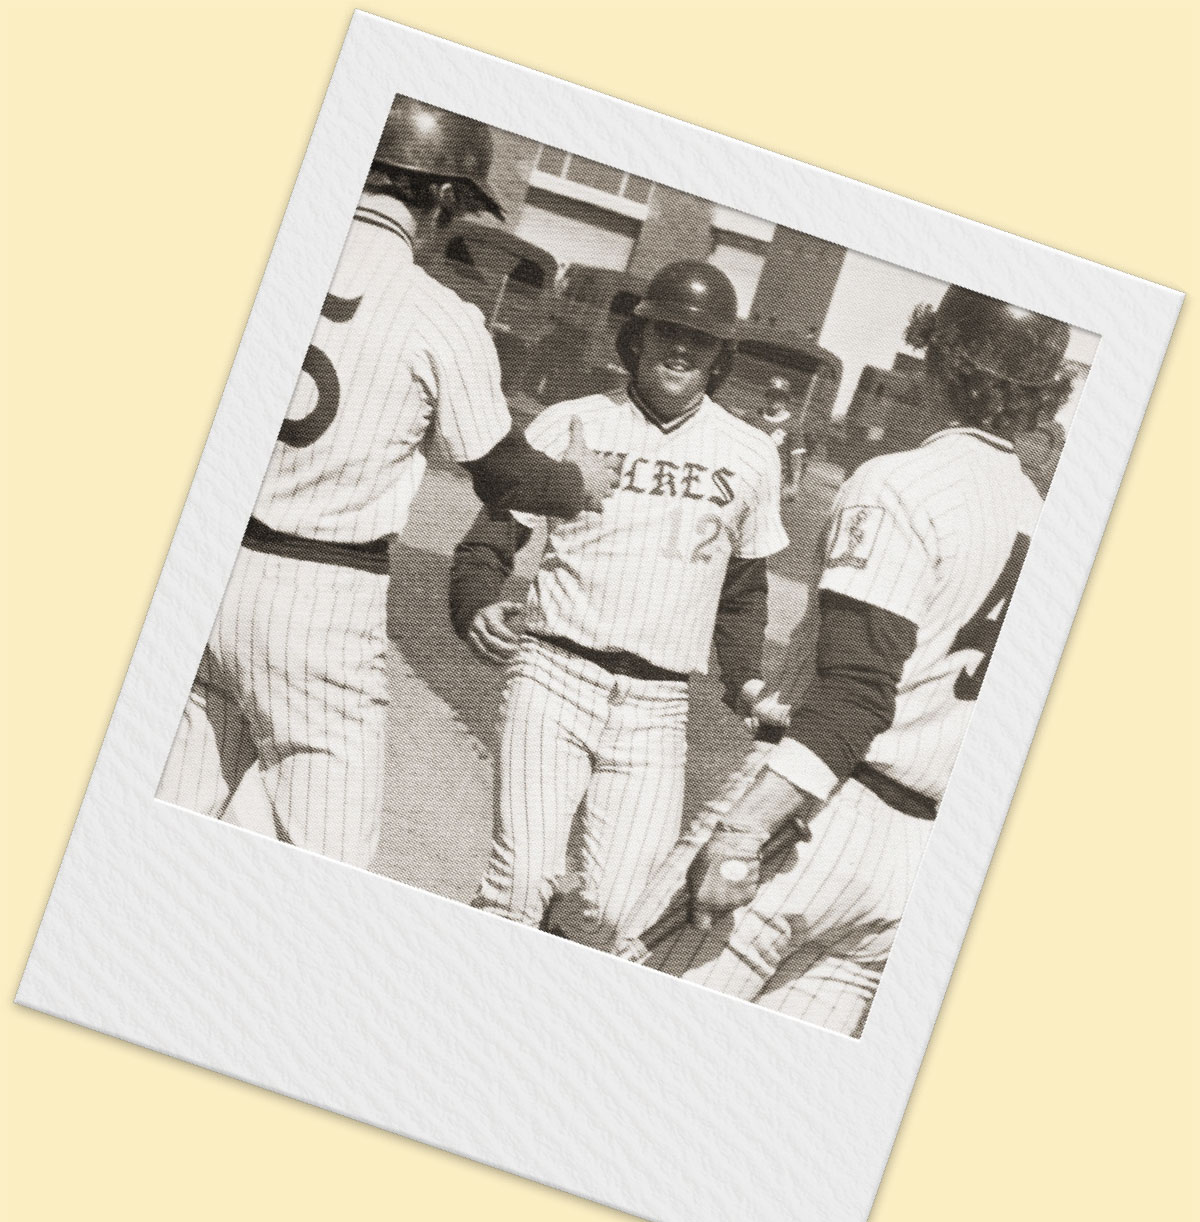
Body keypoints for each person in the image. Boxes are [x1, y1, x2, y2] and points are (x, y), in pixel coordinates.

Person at [158, 96, 618, 866]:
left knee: (168, 807)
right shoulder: (437, 312)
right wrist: (578, 483)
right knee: (320, 859)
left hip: (205, 567)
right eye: (461, 206)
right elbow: (502, 473)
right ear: (440, 196)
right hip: (321, 598)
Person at [618, 286, 1073, 1037]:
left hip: (812, 825)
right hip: (915, 864)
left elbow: (859, 693)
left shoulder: (904, 481)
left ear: (938, 361)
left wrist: (743, 830)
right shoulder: (1043, 517)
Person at [449, 261, 789, 948]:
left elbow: (743, 593)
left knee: (616, 911)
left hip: (658, 708)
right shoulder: (572, 420)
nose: (682, 348)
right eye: (668, 329)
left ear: (722, 357)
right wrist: (477, 600)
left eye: (702, 339)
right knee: (518, 885)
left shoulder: (752, 454)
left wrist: (745, 677)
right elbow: (490, 538)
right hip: (553, 675)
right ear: (639, 335)